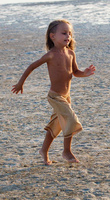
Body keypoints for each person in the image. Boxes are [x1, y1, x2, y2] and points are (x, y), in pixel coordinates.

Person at [11, 19, 96, 165]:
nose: (68, 36)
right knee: (70, 119)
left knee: (56, 126)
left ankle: (44, 150)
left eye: (69, 33)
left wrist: (85, 73)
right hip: (55, 97)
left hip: (66, 97)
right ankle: (66, 151)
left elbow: (75, 72)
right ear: (53, 36)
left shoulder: (71, 53)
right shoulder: (50, 55)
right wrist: (20, 83)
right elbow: (31, 66)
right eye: (64, 33)